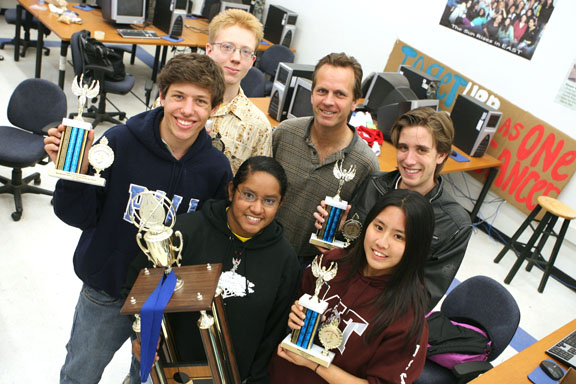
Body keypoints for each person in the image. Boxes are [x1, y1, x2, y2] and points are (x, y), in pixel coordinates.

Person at [44, 53, 233, 384]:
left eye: (200, 101)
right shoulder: (119, 141)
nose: (188, 110)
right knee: (80, 372)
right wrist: (74, 172)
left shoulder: (215, 169)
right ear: (161, 96)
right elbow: (77, 214)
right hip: (106, 289)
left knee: (147, 376)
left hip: (163, 301)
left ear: (214, 107)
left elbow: (207, 239)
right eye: (178, 96)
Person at [126, 156, 300, 383]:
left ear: (281, 203)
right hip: (169, 372)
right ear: (231, 190)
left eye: (269, 201)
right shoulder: (185, 232)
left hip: (232, 378)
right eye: (248, 195)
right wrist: (142, 336)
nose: (256, 208)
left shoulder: (285, 259)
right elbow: (135, 286)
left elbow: (273, 332)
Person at [269, 189, 434, 383]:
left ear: (416, 246)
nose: (382, 242)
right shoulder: (331, 262)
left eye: (398, 237)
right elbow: (294, 302)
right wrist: (295, 313)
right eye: (379, 227)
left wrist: (314, 364)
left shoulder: (408, 319)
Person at [316, 107, 472, 311]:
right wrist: (335, 233)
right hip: (338, 292)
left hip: (382, 313)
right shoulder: (373, 184)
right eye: (403, 147)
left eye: (422, 150)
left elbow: (424, 297)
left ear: (441, 155)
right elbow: (349, 246)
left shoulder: (455, 225)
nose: (408, 160)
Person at [272, 52, 379, 265]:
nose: (328, 101)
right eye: (322, 91)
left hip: (313, 266)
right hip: (264, 248)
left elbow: (359, 234)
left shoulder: (366, 165)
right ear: (311, 94)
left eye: (340, 94)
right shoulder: (284, 133)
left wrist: (341, 232)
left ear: (355, 102)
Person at [205, 9, 273, 174]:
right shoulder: (178, 101)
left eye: (245, 51)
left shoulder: (258, 126)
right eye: (227, 47)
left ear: (252, 61)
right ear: (209, 50)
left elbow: (257, 186)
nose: (236, 58)